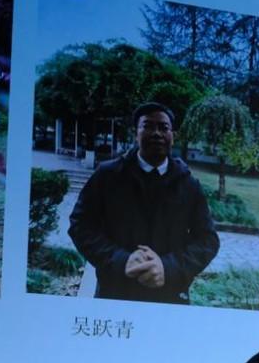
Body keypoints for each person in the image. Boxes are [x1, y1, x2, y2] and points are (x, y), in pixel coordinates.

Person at [68, 101, 219, 303]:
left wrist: (168, 268)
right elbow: (81, 225)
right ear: (135, 133)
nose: (156, 133)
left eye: (163, 127)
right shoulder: (108, 175)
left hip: (169, 295)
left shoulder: (189, 184)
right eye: (148, 126)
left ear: (173, 135)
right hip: (115, 291)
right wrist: (121, 260)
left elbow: (208, 240)